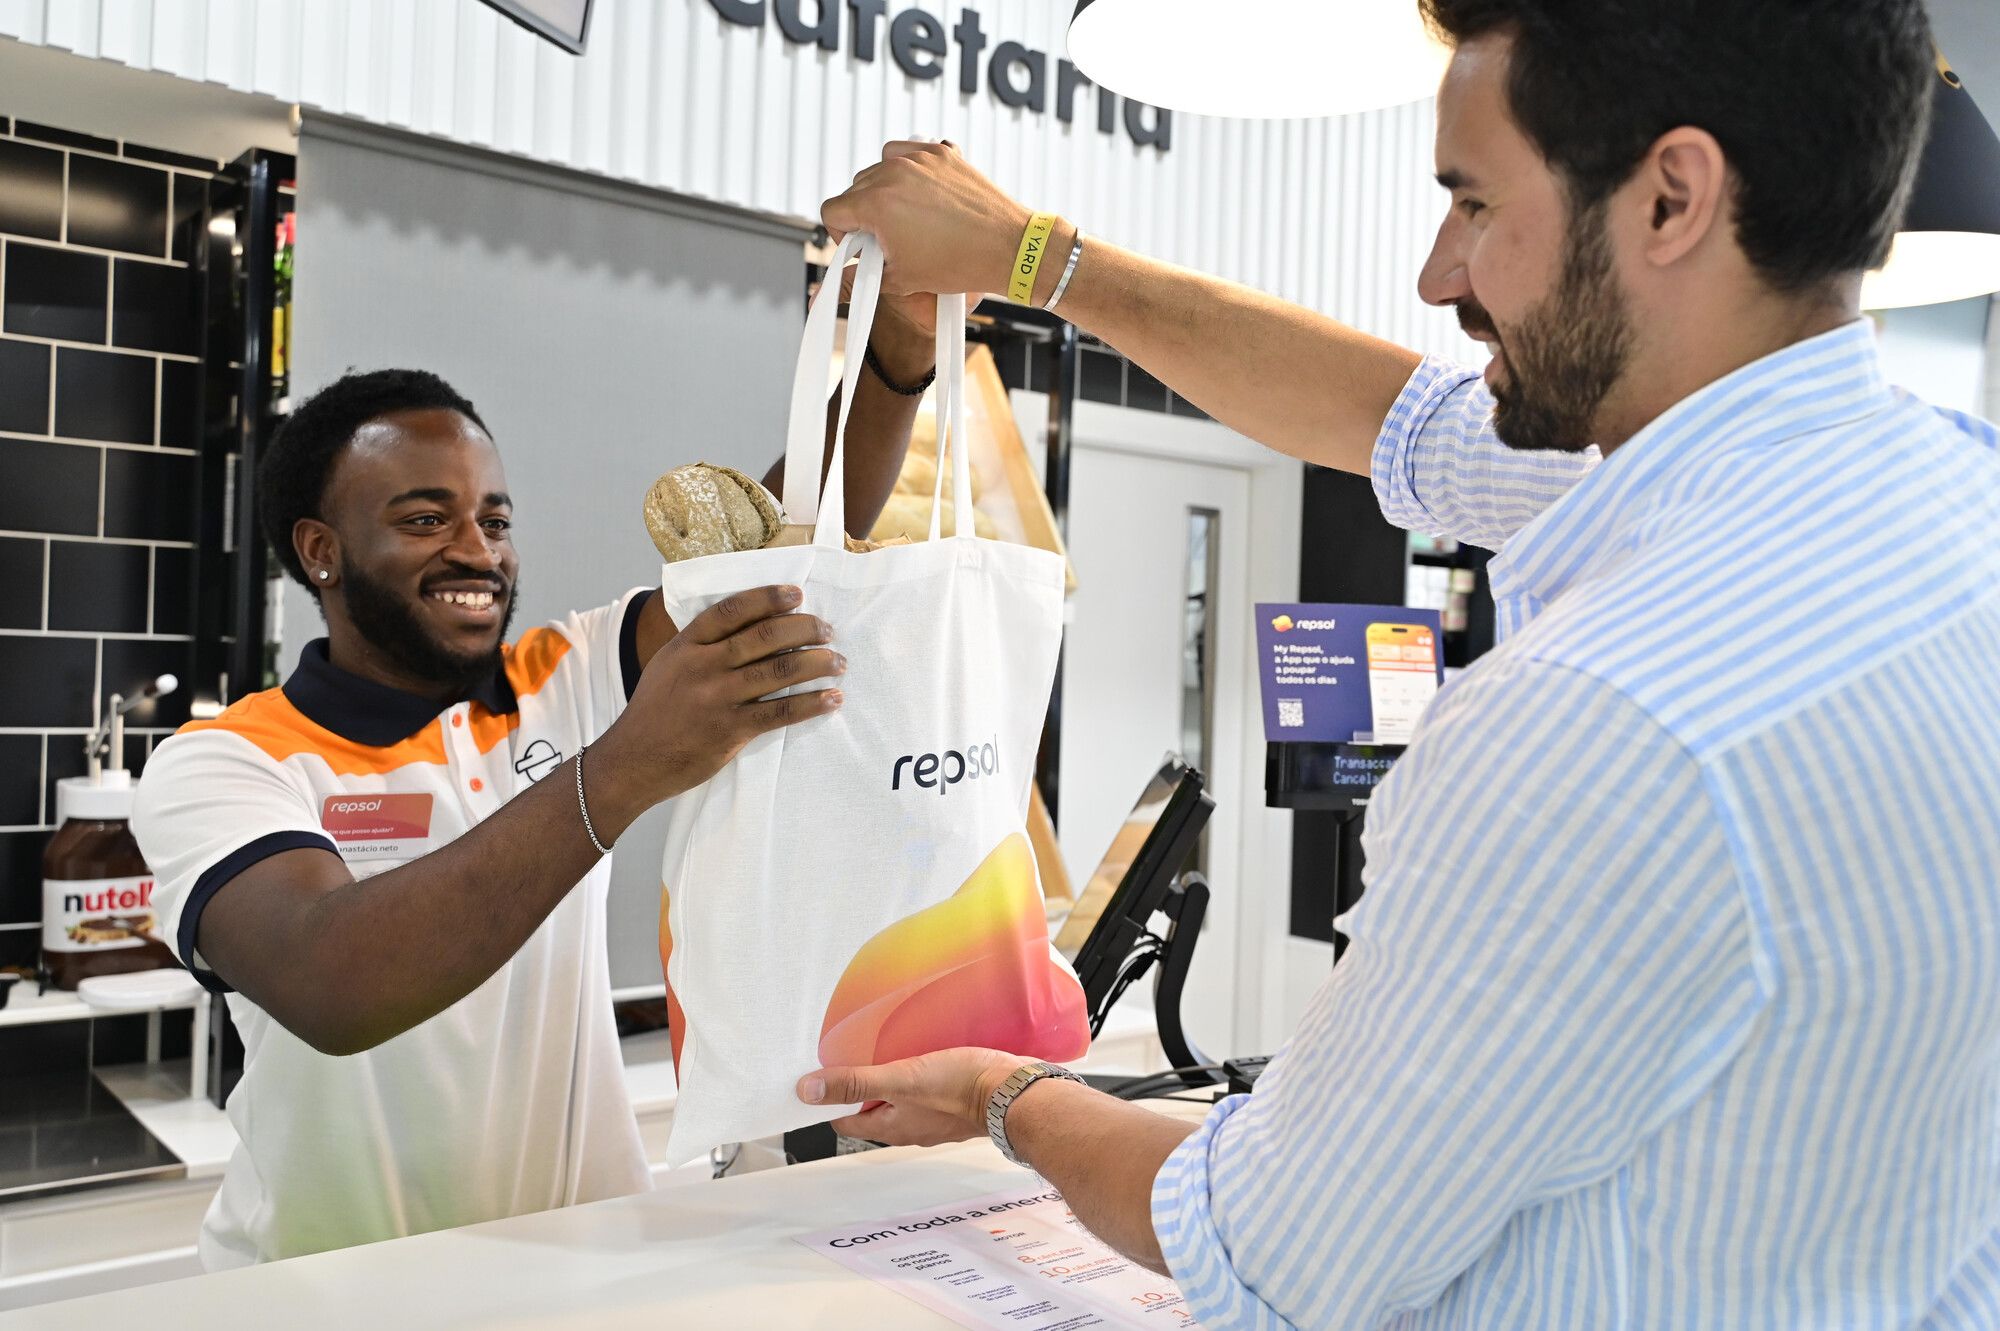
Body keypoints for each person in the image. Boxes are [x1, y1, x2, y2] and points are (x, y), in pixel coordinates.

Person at [797, 2, 2000, 1327]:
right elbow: (1401, 422)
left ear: (1671, 197)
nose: (1438, 273)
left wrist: (1004, 1093)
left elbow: (1273, 1244)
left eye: (1473, 203)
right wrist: (1035, 256)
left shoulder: (1590, 722)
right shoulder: (1956, 504)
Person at [131, 296, 938, 1268]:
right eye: (425, 519)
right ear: (320, 551)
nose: (478, 551)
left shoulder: (564, 674)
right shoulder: (226, 759)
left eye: (494, 518)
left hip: (578, 1270)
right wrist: (622, 768)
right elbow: (331, 979)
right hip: (327, 1288)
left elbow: (786, 548)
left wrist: (897, 352)